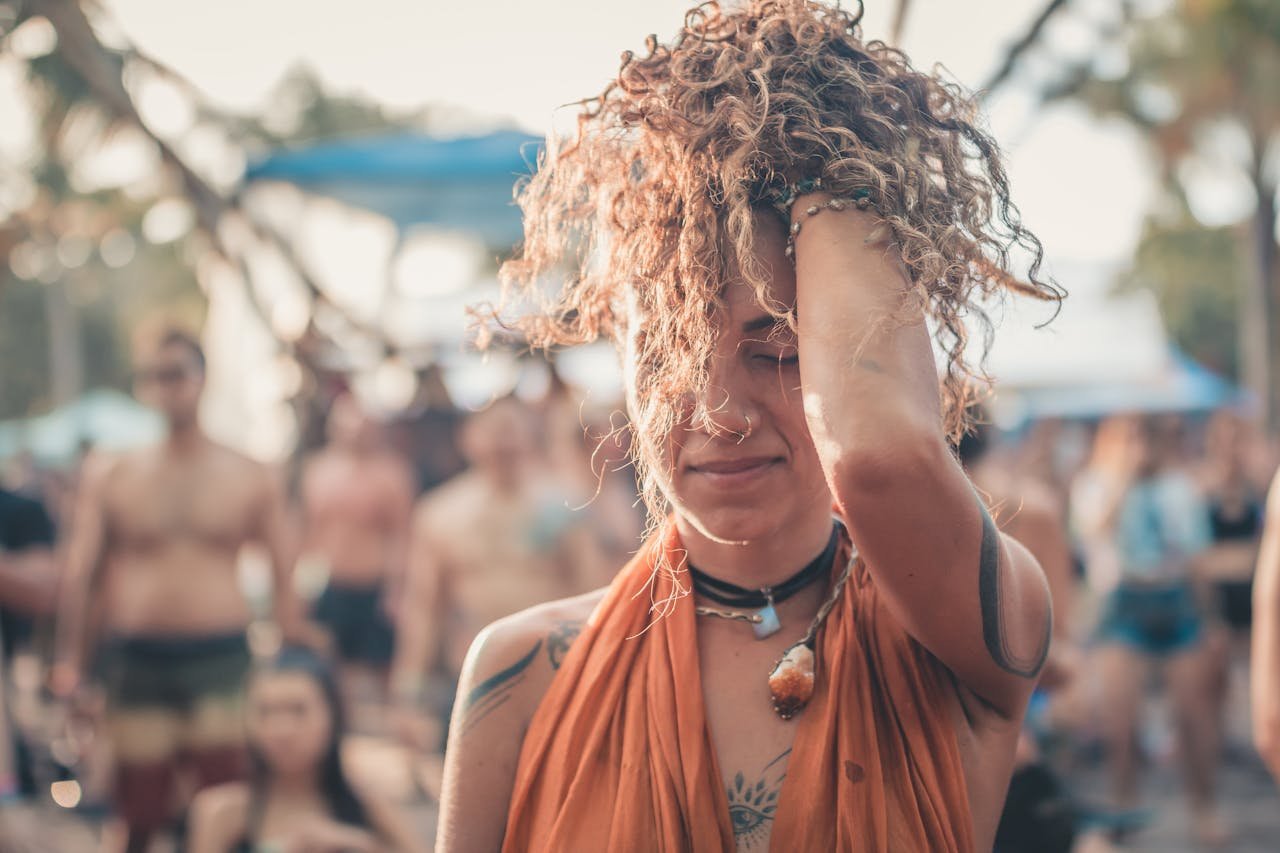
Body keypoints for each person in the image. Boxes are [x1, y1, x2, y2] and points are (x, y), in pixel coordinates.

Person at [436, 2, 1058, 850]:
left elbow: (881, 453)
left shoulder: (958, 642)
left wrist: (822, 150)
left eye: (777, 353)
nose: (720, 414)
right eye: (672, 356)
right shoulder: (519, 675)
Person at [54, 328, 319, 853]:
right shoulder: (114, 473)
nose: (166, 387)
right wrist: (73, 666)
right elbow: (84, 577)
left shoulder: (248, 472)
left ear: (202, 380)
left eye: (176, 374)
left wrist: (291, 658)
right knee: (137, 814)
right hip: (139, 657)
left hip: (220, 655)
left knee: (226, 806)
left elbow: (283, 575)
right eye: (154, 377)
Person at [390, 396, 594, 751]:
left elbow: (592, 592)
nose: (504, 441)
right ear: (468, 439)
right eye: (493, 430)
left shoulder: (562, 504)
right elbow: (425, 607)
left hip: (552, 667)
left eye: (512, 429)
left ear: (530, 437)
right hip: (473, 670)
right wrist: (410, 688)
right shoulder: (441, 513)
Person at [1070, 414, 1222, 843]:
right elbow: (1093, 534)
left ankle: (1204, 805)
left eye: (1147, 436)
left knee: (1193, 715)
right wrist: (1121, 482)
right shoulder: (1095, 484)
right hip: (1123, 604)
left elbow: (1196, 556)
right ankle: (1124, 807)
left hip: (1175, 600)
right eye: (1131, 437)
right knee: (1121, 720)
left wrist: (1210, 619)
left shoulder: (1181, 487)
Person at [187, 647, 424, 853]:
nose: (281, 729)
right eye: (265, 712)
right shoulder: (222, 813)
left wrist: (357, 844)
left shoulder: (367, 807)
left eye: (298, 710)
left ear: (333, 717)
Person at [300, 393, 415, 724]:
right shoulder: (318, 471)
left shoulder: (391, 474)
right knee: (331, 666)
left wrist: (397, 591)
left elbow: (401, 535)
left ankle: (396, 734)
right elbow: (309, 532)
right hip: (332, 583)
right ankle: (340, 730)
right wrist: (302, 585)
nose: (354, 431)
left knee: (383, 669)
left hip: (375, 584)